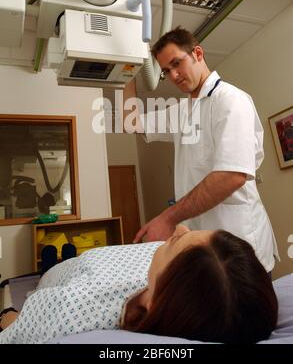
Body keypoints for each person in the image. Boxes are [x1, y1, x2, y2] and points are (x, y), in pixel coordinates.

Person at [134, 27, 278, 274]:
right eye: (167, 71)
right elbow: (132, 123)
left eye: (177, 63)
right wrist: (125, 67)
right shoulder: (181, 111)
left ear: (197, 53)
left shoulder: (230, 100)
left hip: (240, 247)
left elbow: (231, 176)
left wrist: (168, 218)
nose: (174, 75)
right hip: (205, 250)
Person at [0, 226, 278, 344]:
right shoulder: (178, 278)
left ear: (153, 303)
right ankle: (64, 259)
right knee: (69, 257)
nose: (179, 228)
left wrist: (8, 314)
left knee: (50, 269)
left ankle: (49, 268)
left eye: (176, 242)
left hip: (56, 282)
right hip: (85, 263)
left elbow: (18, 328)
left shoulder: (73, 310)